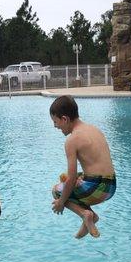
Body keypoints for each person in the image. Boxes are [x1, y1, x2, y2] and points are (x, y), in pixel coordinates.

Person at [50, 95, 116, 239]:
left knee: (57, 190)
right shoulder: (95, 129)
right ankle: (89, 218)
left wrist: (61, 202)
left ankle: (85, 214)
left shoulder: (72, 140)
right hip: (111, 186)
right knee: (67, 178)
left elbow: (72, 178)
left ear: (65, 119)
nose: (55, 126)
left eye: (56, 122)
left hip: (97, 188)